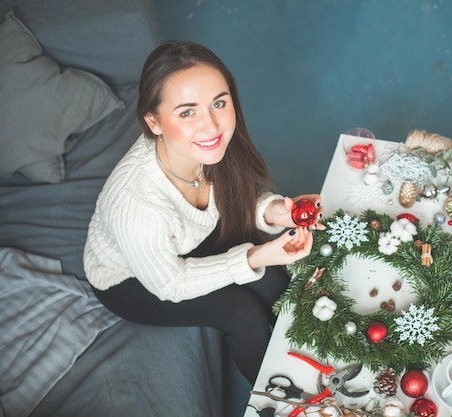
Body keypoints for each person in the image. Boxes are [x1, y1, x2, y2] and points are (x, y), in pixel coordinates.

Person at [83, 40, 324, 384]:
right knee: (241, 313)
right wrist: (254, 256)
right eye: (186, 111)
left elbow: (233, 199)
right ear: (154, 123)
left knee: (274, 280)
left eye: (218, 103)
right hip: (134, 279)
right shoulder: (136, 205)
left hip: (188, 237)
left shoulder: (208, 146)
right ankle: (284, 394)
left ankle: (316, 344)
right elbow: (171, 283)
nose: (211, 126)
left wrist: (274, 213)